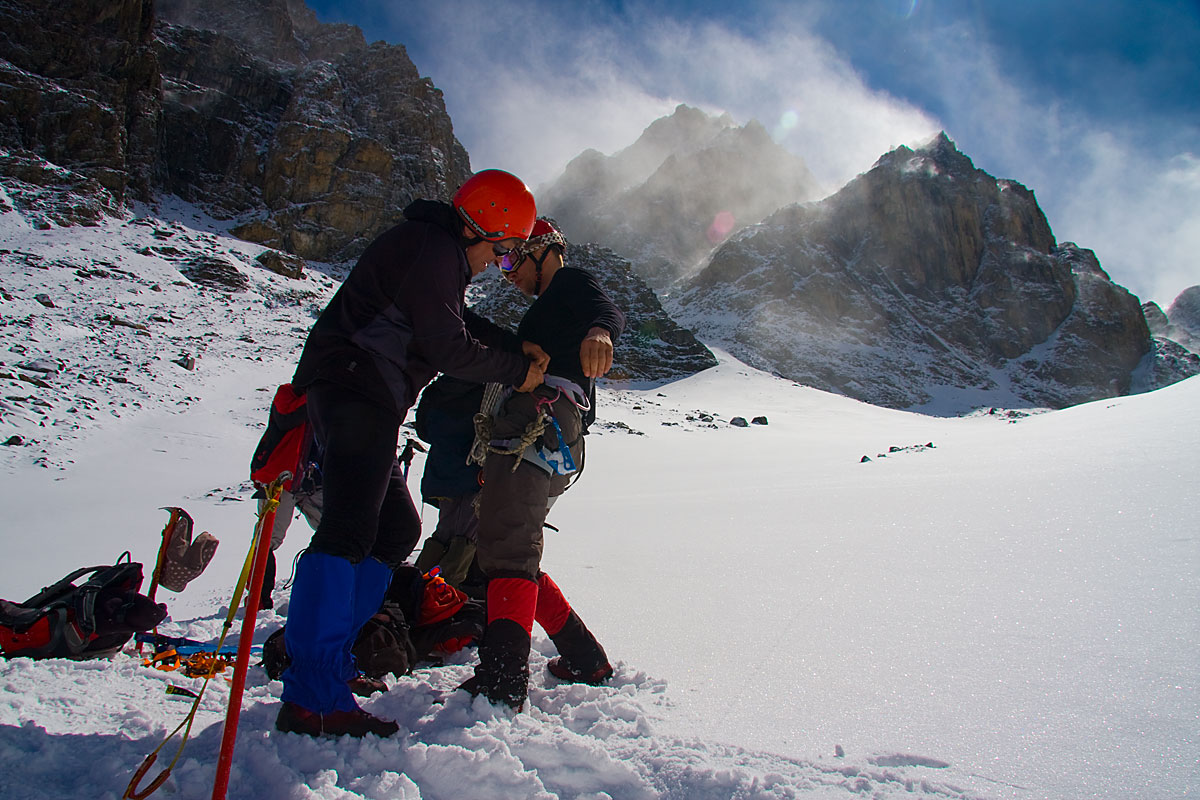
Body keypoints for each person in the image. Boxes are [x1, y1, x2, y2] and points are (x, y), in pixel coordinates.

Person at [275, 169, 550, 738]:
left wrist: (509, 343)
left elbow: (455, 323)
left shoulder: (434, 253)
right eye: (502, 255)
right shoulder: (430, 248)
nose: (497, 266)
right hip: (357, 388)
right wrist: (519, 372)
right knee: (348, 532)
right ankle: (312, 694)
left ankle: (331, 664)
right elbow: (447, 347)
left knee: (396, 529)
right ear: (485, 231)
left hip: (365, 393)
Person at [461, 218, 625, 710]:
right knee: (513, 545)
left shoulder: (570, 282)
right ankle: (584, 657)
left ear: (543, 250)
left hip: (539, 417)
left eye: (511, 258)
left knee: (507, 547)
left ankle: (503, 682)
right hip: (548, 428)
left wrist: (600, 332)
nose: (505, 271)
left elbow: (606, 309)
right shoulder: (546, 309)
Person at [248, 383, 323, 610]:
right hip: (279, 476)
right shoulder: (287, 393)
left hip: (311, 478)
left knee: (336, 529)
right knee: (268, 538)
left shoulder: (330, 397)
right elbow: (286, 417)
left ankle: (320, 586)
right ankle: (258, 599)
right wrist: (318, 394)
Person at [412, 374, 487, 592]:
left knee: (445, 532)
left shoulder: (443, 385)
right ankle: (437, 597)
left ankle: (417, 591)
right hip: (472, 475)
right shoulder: (489, 391)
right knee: (463, 538)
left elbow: (423, 428)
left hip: (442, 472)